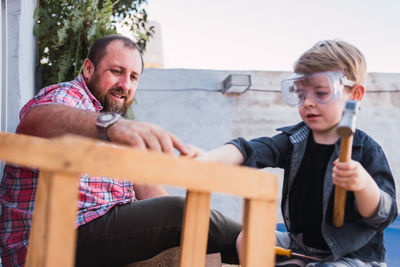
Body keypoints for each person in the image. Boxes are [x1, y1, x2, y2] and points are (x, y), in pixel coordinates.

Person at [0, 34, 241, 266]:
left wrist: (193, 216)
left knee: (193, 229)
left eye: (134, 77)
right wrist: (112, 126)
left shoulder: (109, 125)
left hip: (95, 235)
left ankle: (258, 245)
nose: (125, 85)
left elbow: (150, 192)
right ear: (88, 69)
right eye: (116, 71)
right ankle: (267, 244)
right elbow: (37, 120)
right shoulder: (71, 98)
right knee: (180, 213)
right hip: (51, 241)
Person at [196, 40, 397, 266]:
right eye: (300, 94)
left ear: (355, 94)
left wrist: (363, 185)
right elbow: (249, 149)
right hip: (301, 247)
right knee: (249, 238)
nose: (308, 102)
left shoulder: (367, 150)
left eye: (321, 92)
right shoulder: (294, 141)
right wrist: (205, 160)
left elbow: (383, 214)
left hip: (352, 257)